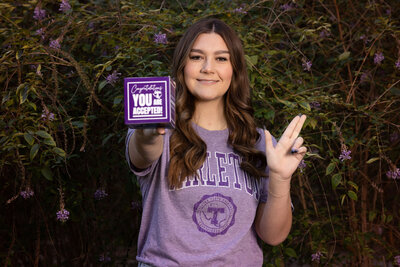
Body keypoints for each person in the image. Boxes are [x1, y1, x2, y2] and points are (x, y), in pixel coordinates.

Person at [125, 18, 307, 267]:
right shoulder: (159, 130)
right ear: (183, 65)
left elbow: (273, 236)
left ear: (235, 70)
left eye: (221, 58)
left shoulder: (259, 143)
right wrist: (148, 134)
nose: (208, 68)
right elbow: (143, 149)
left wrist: (280, 178)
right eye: (196, 57)